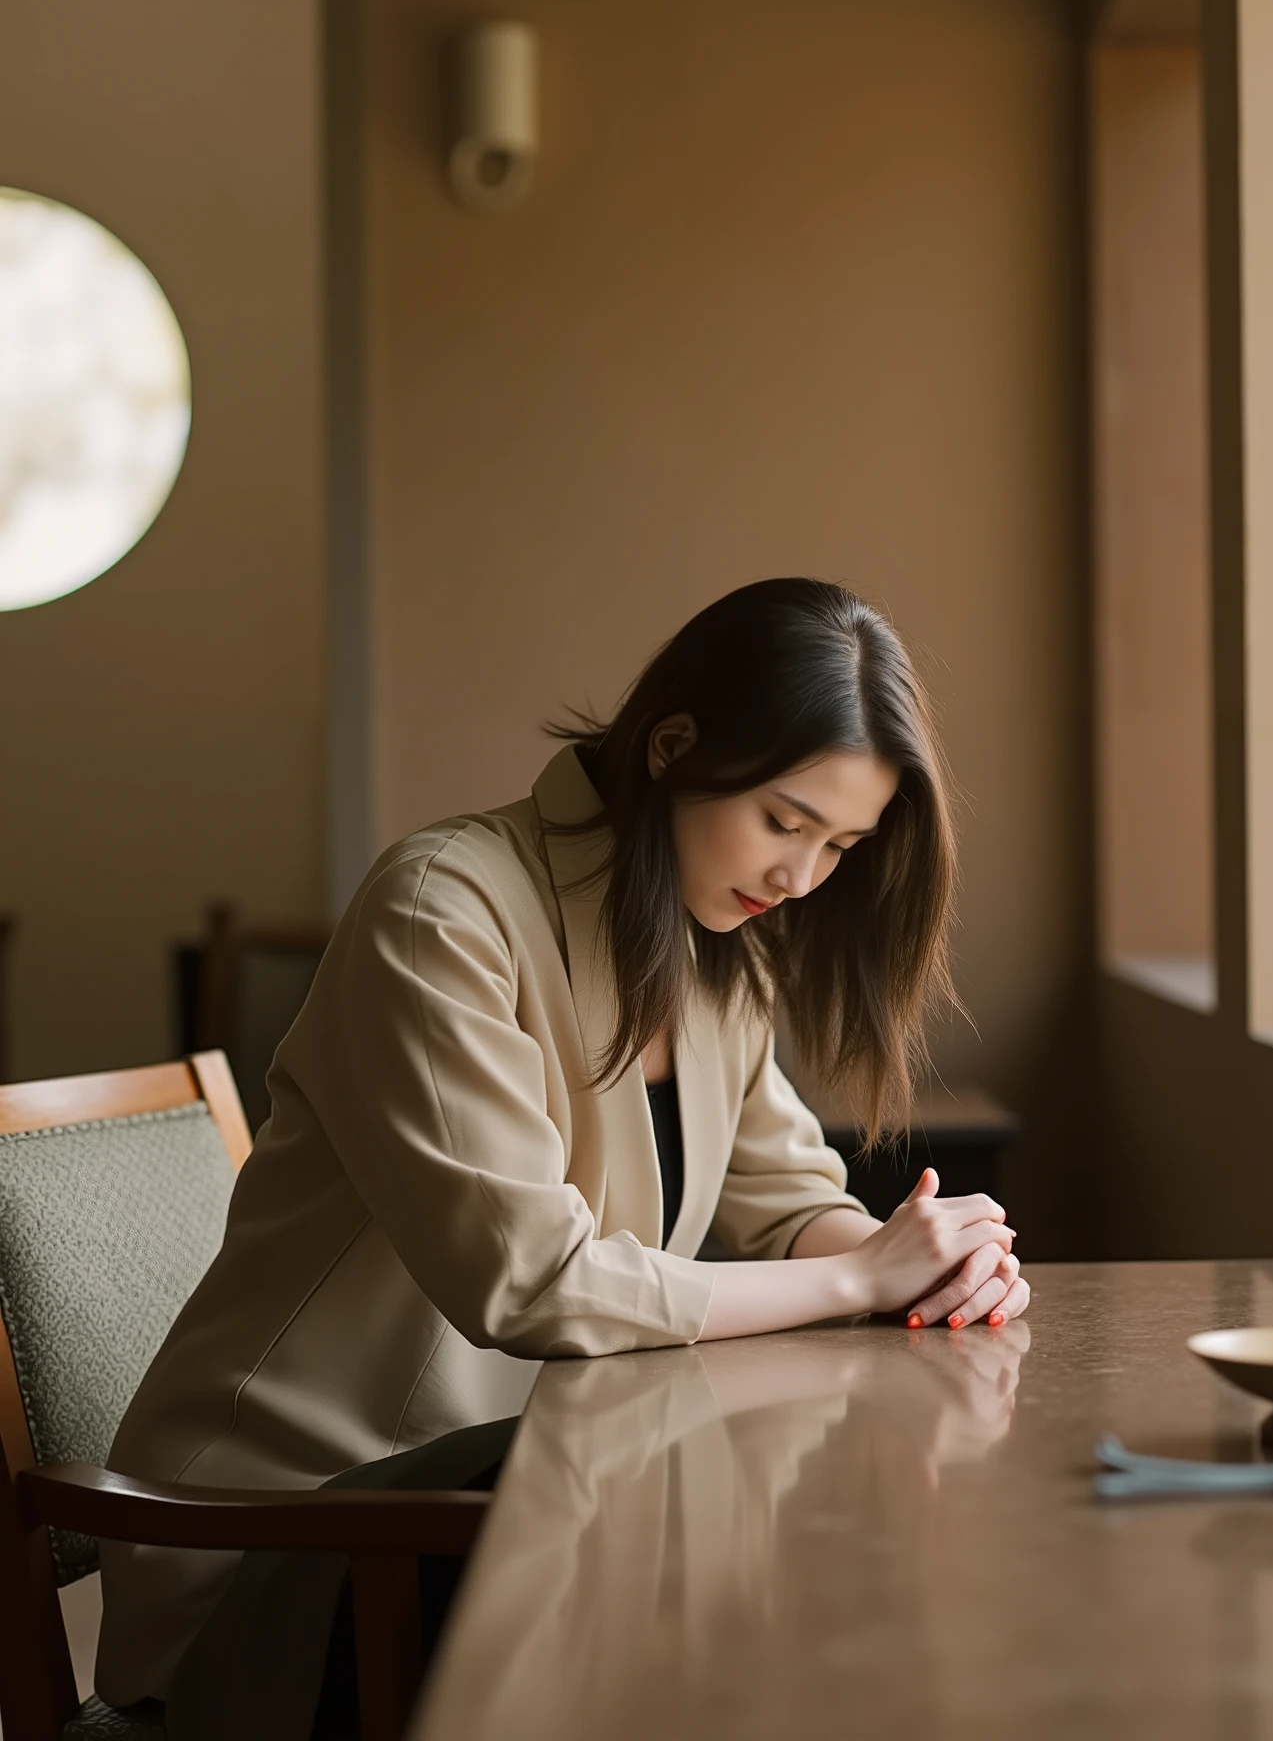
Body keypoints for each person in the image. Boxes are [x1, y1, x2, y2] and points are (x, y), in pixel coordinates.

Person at [95, 577, 1029, 1735]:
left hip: (519, 1501)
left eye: (838, 844)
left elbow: (785, 1202)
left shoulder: (718, 947)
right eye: (784, 820)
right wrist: (856, 1278)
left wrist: (920, 1263)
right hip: (303, 1538)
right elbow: (529, 1279)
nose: (798, 876)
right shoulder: (442, 911)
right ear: (672, 745)